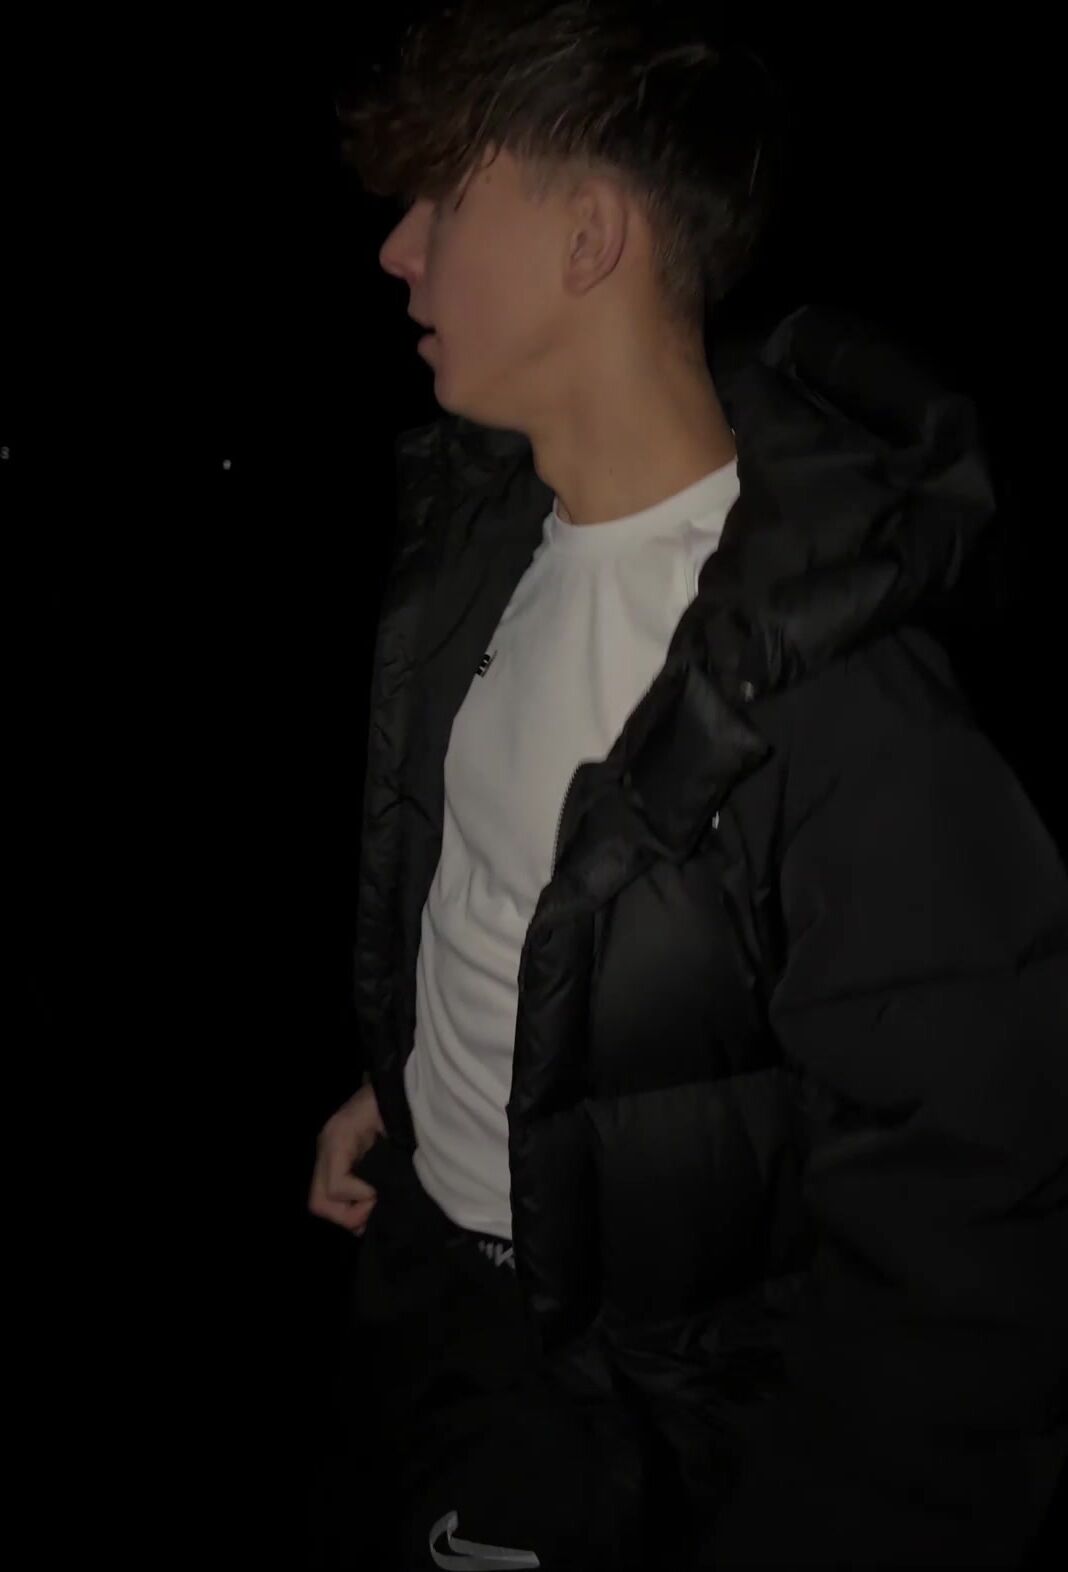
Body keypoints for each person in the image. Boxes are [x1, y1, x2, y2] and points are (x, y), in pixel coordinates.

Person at [309, 3, 1068, 1567]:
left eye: (443, 200)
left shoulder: (837, 689)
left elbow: (955, 1269)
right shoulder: (487, 535)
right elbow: (513, 896)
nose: (397, 250)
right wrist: (414, 1080)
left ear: (590, 237)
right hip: (434, 1299)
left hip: (628, 1426)